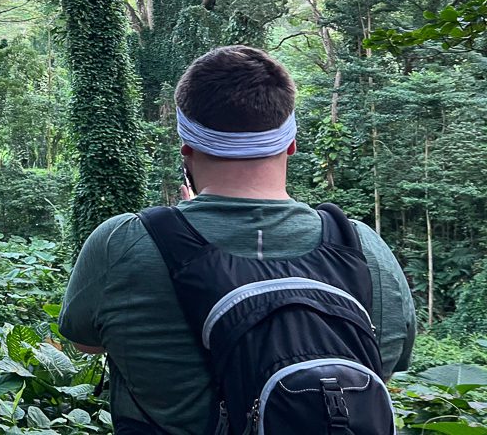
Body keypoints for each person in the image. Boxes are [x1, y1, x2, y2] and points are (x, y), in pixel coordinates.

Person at [59, 45, 415, 435]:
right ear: (290, 144)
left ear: (187, 151)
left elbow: (86, 343)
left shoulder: (124, 242)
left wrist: (178, 233)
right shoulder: (361, 247)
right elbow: (384, 363)